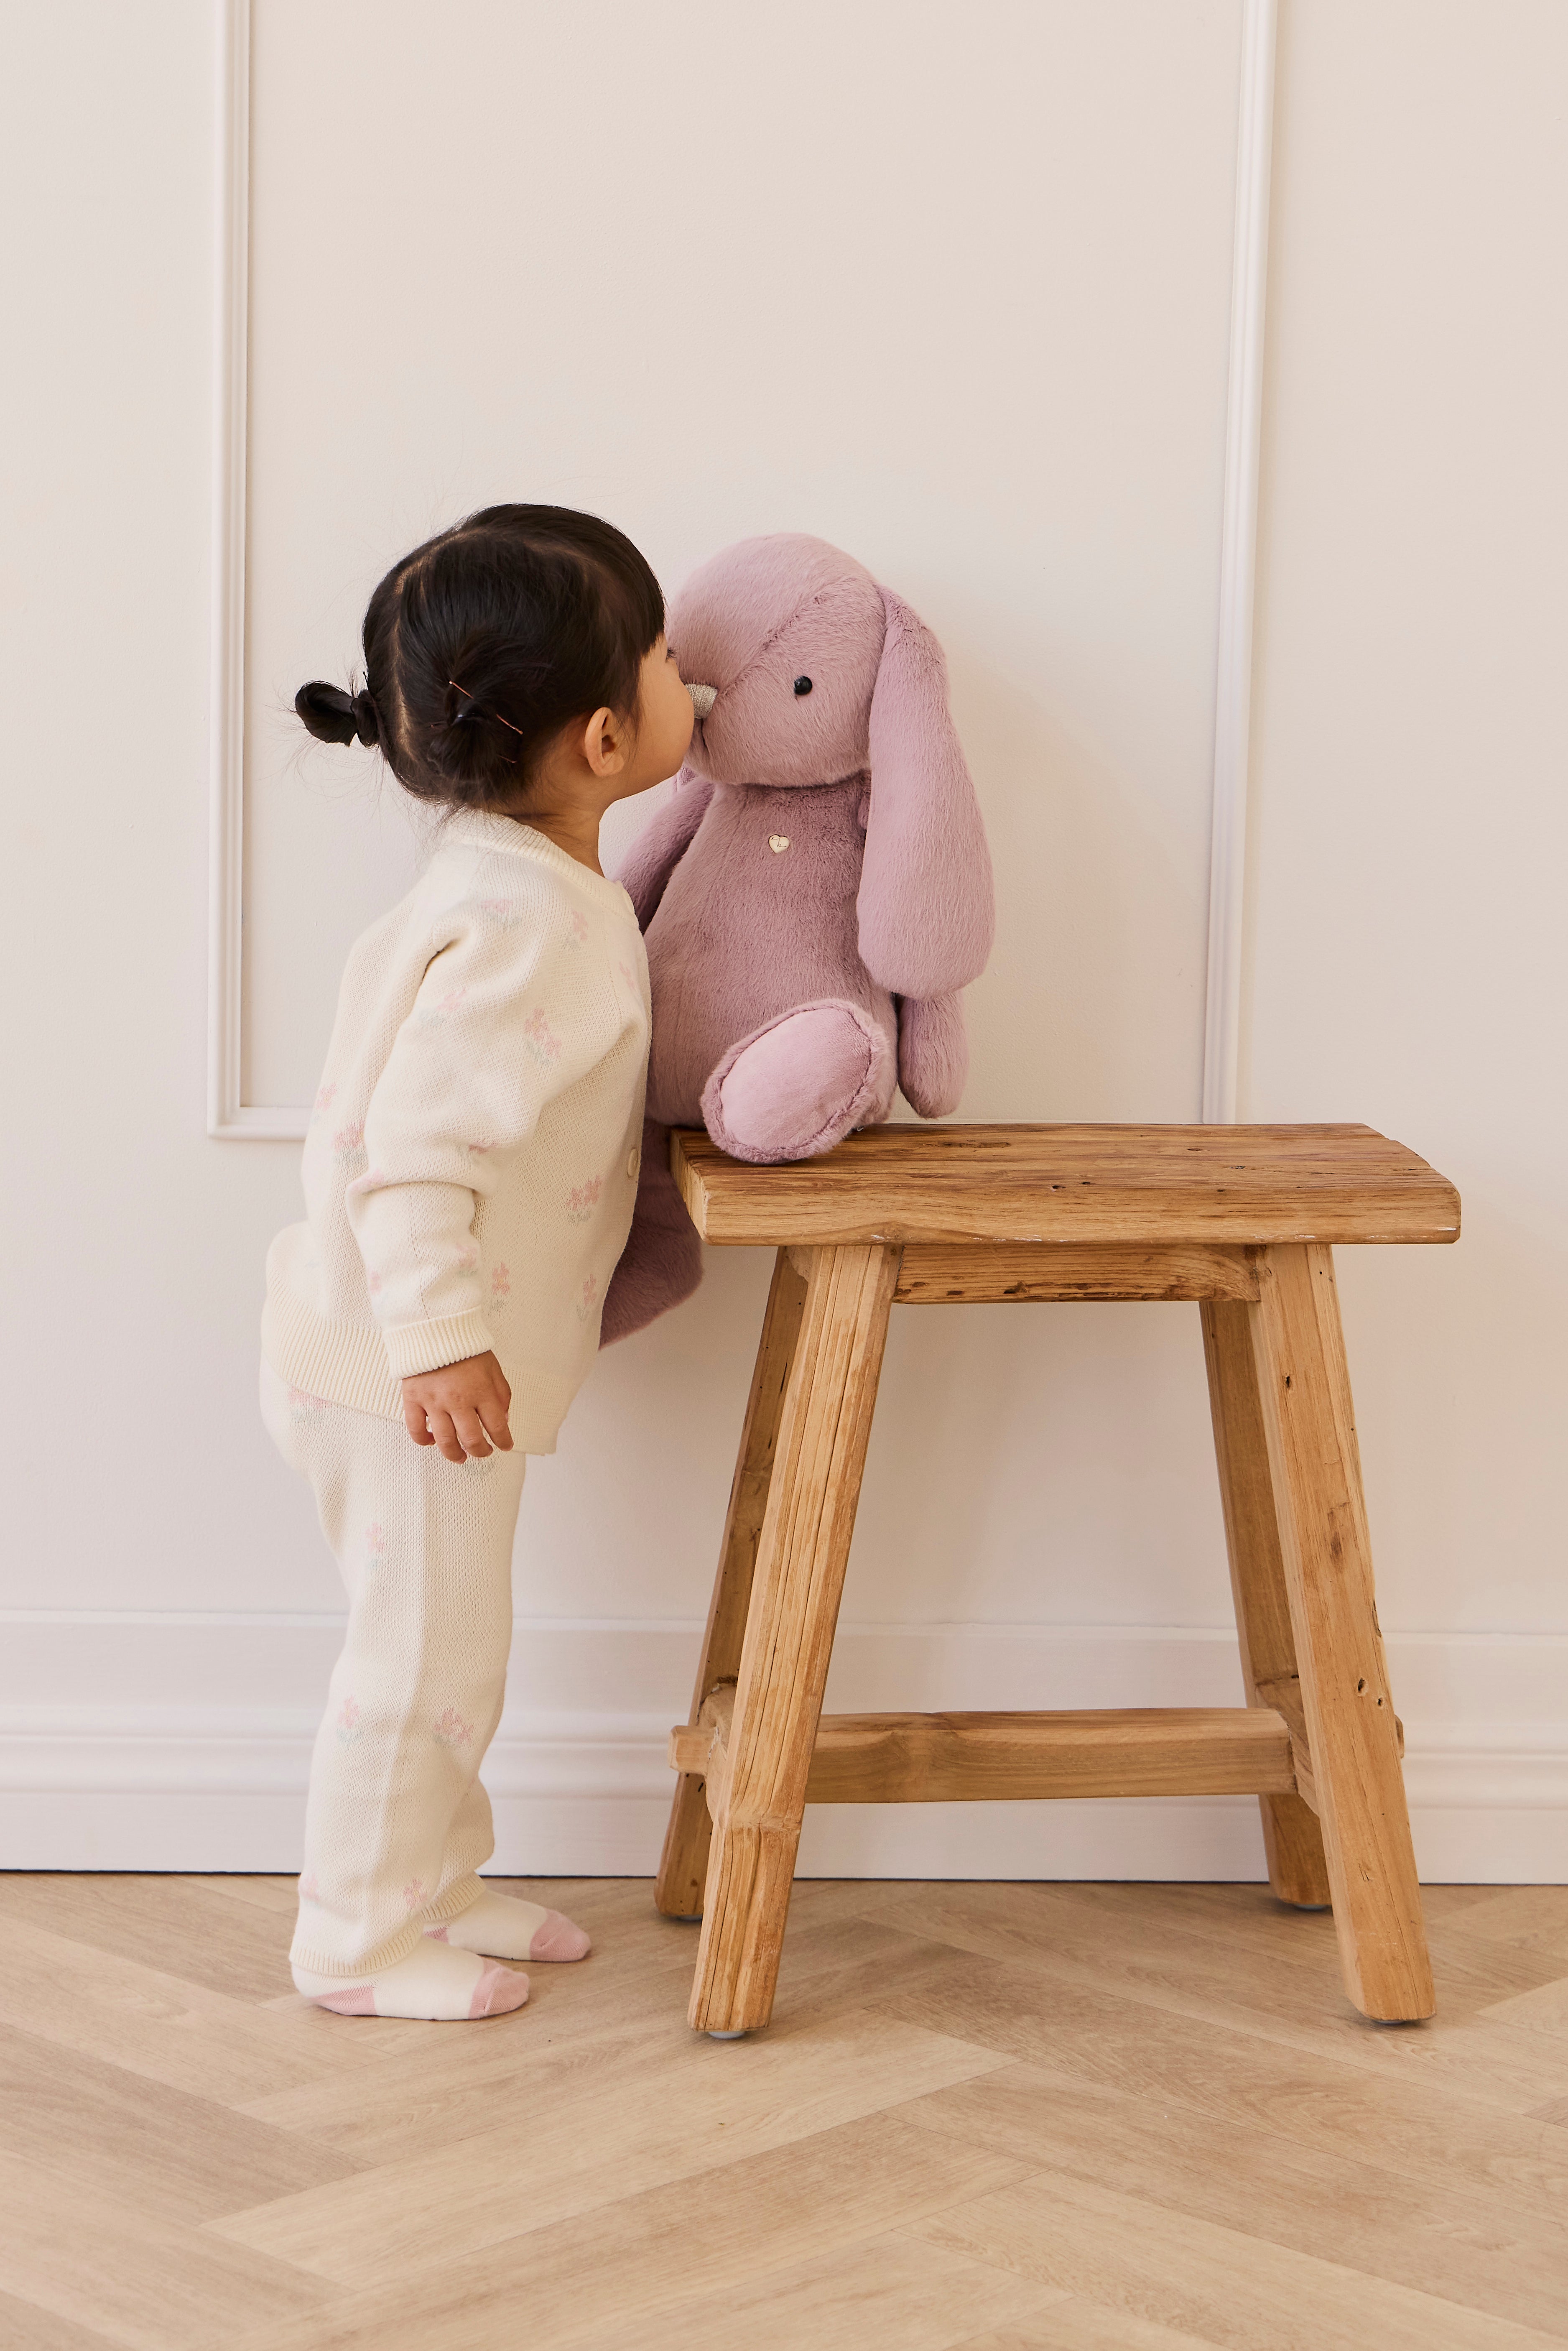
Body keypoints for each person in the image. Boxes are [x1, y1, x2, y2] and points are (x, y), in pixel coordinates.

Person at [263, 505, 694, 2019]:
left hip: (403, 1355)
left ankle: (433, 1887)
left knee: (459, 1648)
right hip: (405, 1368)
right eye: (658, 656)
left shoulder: (514, 881)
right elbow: (415, 1153)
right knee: (419, 1665)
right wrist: (440, 1339)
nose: (684, 674)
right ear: (597, 738)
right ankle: (356, 1942)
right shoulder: (528, 923)